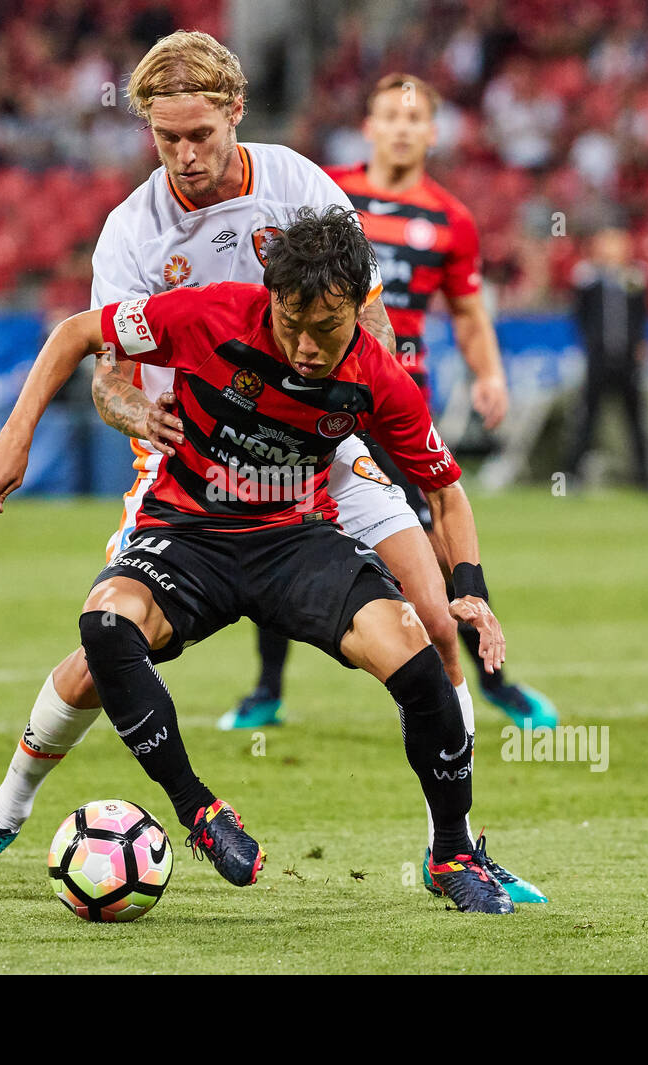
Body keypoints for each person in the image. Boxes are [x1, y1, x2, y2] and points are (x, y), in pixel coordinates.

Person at [0, 32, 544, 905]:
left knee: (436, 623)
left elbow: (373, 324)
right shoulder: (134, 233)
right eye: (167, 138)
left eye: (200, 136)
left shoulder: (298, 186)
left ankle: (461, 845)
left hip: (325, 445)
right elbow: (102, 367)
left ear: (234, 115)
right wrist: (134, 411)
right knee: (97, 655)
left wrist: (349, 404)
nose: (186, 155)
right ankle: (3, 811)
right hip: (190, 460)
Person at [0, 206, 516, 913]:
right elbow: (77, 332)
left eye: (327, 327)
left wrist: (469, 587)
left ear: (359, 306)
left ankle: (451, 854)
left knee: (417, 654)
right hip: (190, 528)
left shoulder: (378, 379)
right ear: (270, 296)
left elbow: (445, 492)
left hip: (294, 539)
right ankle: (198, 811)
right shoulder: (206, 315)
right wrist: (16, 435)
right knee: (103, 628)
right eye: (292, 322)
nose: (307, 346)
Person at [227, 72, 559, 740]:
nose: (403, 128)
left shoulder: (451, 220)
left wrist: (488, 372)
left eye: (416, 119)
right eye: (390, 116)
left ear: (433, 132)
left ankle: (493, 679)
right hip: (311, 396)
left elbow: (467, 311)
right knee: (280, 524)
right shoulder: (328, 194)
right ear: (370, 125)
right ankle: (266, 688)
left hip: (398, 404)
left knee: (438, 548)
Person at [563, 227, 648, 489]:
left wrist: (640, 344)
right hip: (599, 359)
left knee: (635, 420)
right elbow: (579, 315)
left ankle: (645, 478)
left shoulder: (635, 278)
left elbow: (642, 316)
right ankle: (572, 475)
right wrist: (590, 344)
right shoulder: (588, 279)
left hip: (627, 360)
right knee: (587, 418)